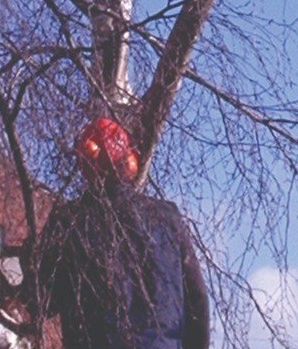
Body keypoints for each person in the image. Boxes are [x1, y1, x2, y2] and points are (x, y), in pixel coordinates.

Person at [33, 118, 210, 349]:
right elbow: (197, 301)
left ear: (85, 165)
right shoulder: (166, 218)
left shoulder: (69, 222)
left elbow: (41, 301)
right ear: (128, 160)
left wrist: (24, 265)